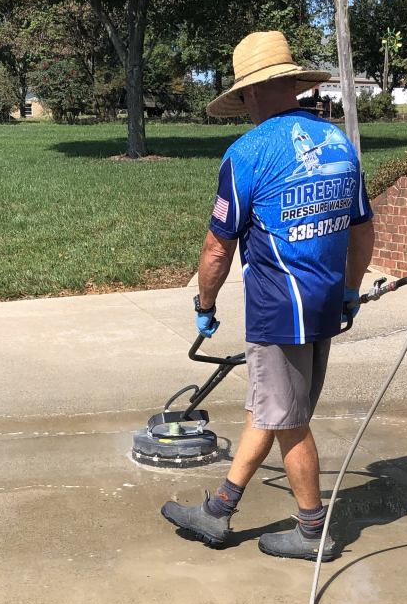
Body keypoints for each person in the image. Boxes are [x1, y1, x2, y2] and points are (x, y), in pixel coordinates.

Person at [161, 31, 376, 560]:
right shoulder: (336, 142)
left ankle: (310, 531)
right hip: (325, 301)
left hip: (279, 308)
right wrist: (350, 287)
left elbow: (217, 249)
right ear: (294, 85)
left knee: (290, 422)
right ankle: (217, 511)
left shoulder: (247, 153)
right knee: (274, 406)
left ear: (253, 93)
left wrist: (204, 306)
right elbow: (362, 228)